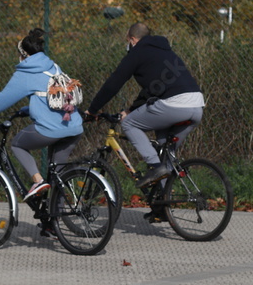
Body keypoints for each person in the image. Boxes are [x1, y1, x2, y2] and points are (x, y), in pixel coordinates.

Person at [83, 22, 204, 191]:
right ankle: (163, 203)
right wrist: (131, 109)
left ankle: (155, 167)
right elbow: (155, 87)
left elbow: (114, 83)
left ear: (132, 39)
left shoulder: (138, 52)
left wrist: (93, 110)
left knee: (129, 124)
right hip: (197, 105)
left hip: (173, 105)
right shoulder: (166, 52)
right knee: (165, 152)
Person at [0, 28, 83, 202]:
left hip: (51, 129)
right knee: (58, 177)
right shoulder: (54, 66)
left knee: (17, 145)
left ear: (24, 54)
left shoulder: (25, 73)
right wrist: (29, 109)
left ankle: (37, 181)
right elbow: (53, 98)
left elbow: (2, 100)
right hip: (74, 126)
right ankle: (54, 223)